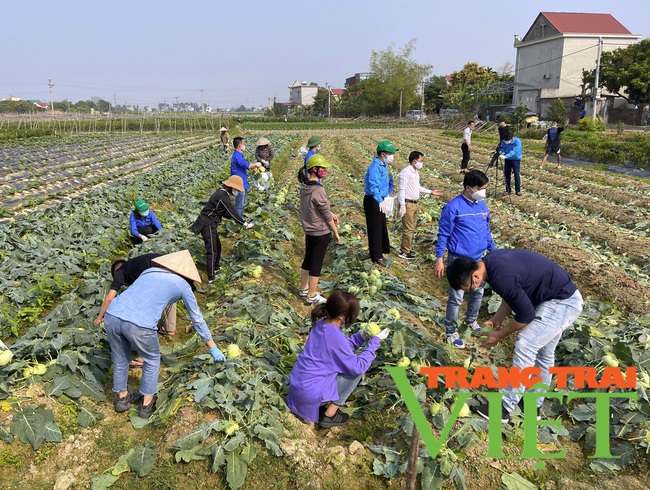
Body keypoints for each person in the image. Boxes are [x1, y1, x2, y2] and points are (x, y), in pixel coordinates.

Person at [447, 250, 583, 423]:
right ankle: (533, 406)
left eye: (470, 288)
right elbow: (512, 292)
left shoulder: (501, 276)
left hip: (562, 303)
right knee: (544, 353)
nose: (471, 291)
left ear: (475, 275)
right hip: (557, 297)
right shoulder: (490, 263)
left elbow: (525, 315)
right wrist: (498, 318)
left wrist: (499, 334)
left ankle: (504, 407)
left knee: (526, 345)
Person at [104, 250, 226, 419]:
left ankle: (122, 398)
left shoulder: (148, 271)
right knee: (152, 359)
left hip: (112, 315)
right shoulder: (183, 284)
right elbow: (197, 318)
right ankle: (146, 404)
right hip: (140, 325)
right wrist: (212, 347)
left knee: (120, 359)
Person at [286, 290, 390, 428]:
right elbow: (358, 366)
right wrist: (375, 341)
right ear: (342, 316)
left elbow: (341, 347)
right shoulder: (334, 336)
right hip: (308, 396)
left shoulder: (322, 324)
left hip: (297, 388)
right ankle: (330, 415)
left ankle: (323, 403)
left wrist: (362, 336)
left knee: (348, 367)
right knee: (356, 372)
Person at [434, 170, 496, 348]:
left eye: (485, 188)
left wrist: (494, 251)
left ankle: (471, 320)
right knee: (456, 297)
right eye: (480, 188)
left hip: (478, 260)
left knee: (478, 293)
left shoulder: (482, 206)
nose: (483, 192)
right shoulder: (453, 207)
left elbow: (486, 232)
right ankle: (451, 331)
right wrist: (439, 259)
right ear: (468, 188)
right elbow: (443, 234)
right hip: (459, 260)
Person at [190, 175, 254, 284]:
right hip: (207, 224)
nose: (237, 192)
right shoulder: (222, 195)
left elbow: (223, 212)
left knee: (218, 246)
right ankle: (211, 278)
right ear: (231, 187)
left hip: (211, 223)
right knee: (212, 250)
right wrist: (244, 224)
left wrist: (240, 219)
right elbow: (231, 211)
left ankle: (216, 267)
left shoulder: (222, 194)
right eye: (237, 189)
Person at [94, 253, 177, 336]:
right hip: (171, 263)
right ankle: (169, 329)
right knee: (168, 293)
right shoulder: (134, 267)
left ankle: (146, 327)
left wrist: (99, 318)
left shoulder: (120, 271)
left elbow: (109, 298)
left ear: (117, 268)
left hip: (160, 269)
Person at [299, 154, 340, 304]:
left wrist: (330, 212)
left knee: (308, 259)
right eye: (322, 168)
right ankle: (312, 295)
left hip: (309, 229)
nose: (325, 171)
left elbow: (316, 207)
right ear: (314, 169)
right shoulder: (318, 190)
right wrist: (335, 231)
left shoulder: (305, 186)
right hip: (320, 231)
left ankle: (303, 289)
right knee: (316, 263)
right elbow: (324, 213)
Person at [397, 151, 443, 260]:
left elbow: (417, 187)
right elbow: (401, 189)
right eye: (421, 160)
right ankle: (404, 252)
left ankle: (405, 248)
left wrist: (431, 192)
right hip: (408, 204)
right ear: (414, 161)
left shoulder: (415, 172)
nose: (422, 163)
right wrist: (402, 205)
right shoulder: (406, 172)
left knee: (411, 228)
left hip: (414, 203)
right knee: (408, 229)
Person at [364, 140, 397, 267]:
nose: (392, 156)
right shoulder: (375, 167)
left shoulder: (383, 166)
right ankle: (376, 256)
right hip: (373, 200)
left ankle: (376, 252)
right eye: (390, 153)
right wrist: (380, 200)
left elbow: (387, 182)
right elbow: (373, 186)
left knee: (380, 227)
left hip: (380, 199)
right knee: (375, 228)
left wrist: (387, 194)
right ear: (383, 154)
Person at [230, 136, 262, 218]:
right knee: (240, 203)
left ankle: (240, 216)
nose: (244, 146)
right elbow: (246, 165)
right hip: (238, 183)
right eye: (243, 144)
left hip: (242, 181)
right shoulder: (237, 156)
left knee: (243, 201)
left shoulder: (239, 155)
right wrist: (256, 164)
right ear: (240, 146)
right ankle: (239, 219)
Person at [499, 131, 523, 196]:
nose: (506, 141)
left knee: (516, 174)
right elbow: (502, 148)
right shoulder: (504, 141)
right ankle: (508, 190)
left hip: (516, 159)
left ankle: (518, 190)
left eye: (508, 140)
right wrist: (499, 152)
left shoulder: (517, 142)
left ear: (511, 138)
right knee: (507, 174)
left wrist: (506, 156)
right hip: (507, 160)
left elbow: (514, 151)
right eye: (505, 140)